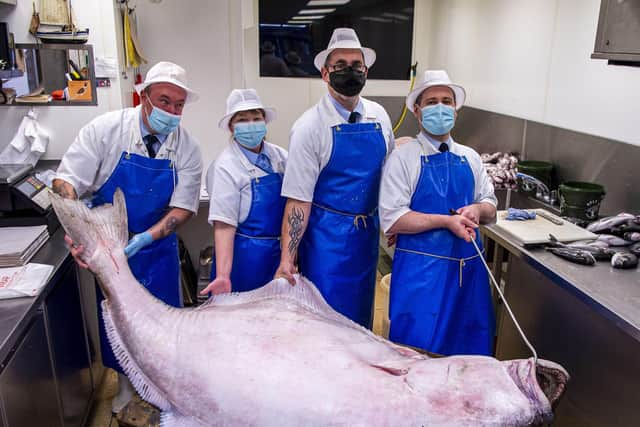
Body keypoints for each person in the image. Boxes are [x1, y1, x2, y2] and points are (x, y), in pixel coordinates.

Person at [53, 61, 202, 413]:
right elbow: (65, 182)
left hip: (157, 248)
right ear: (144, 97)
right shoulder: (106, 130)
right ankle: (122, 384)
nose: (171, 111)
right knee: (118, 322)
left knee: (162, 326)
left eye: (178, 105)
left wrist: (144, 240)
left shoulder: (187, 148)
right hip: (107, 247)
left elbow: (183, 208)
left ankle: (160, 387)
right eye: (164, 101)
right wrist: (78, 230)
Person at [275, 28, 395, 328]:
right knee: (326, 325)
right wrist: (287, 260)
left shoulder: (379, 117)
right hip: (326, 243)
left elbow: (389, 175)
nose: (349, 72)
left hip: (367, 239)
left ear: (366, 71)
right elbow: (298, 201)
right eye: (340, 66)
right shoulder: (309, 128)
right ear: (325, 73)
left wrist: (393, 222)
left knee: (361, 321)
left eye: (356, 66)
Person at [379, 69, 497, 356]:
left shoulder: (470, 157)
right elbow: (393, 218)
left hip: (468, 274)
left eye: (447, 100)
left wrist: (477, 209)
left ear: (456, 111)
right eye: (432, 102)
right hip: (422, 276)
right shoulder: (403, 158)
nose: (440, 107)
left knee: (468, 353)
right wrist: (446, 221)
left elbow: (491, 206)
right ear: (417, 112)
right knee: (417, 353)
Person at [201, 89, 287, 295]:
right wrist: (223, 275)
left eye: (256, 118)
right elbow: (224, 226)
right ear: (231, 127)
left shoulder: (281, 156)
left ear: (264, 121)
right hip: (246, 259)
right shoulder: (225, 166)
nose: (250, 125)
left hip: (280, 254)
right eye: (242, 119)